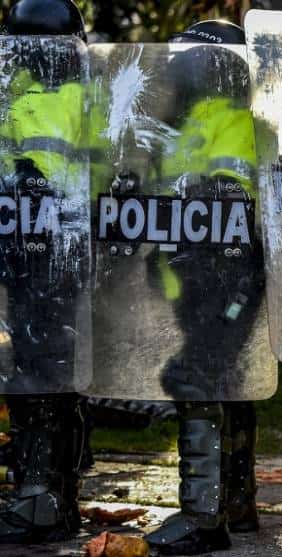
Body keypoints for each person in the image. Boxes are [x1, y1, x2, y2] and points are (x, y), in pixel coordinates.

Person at [141, 20, 262, 555]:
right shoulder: (189, 126)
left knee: (196, 379)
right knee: (227, 386)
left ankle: (203, 516)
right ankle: (237, 505)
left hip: (225, 278)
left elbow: (229, 191)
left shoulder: (228, 121)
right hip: (198, 282)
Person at [0, 0, 89, 543]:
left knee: (40, 372)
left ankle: (42, 499)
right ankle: (54, 494)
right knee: (44, 370)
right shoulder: (84, 97)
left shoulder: (29, 101)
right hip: (39, 250)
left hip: (50, 253)